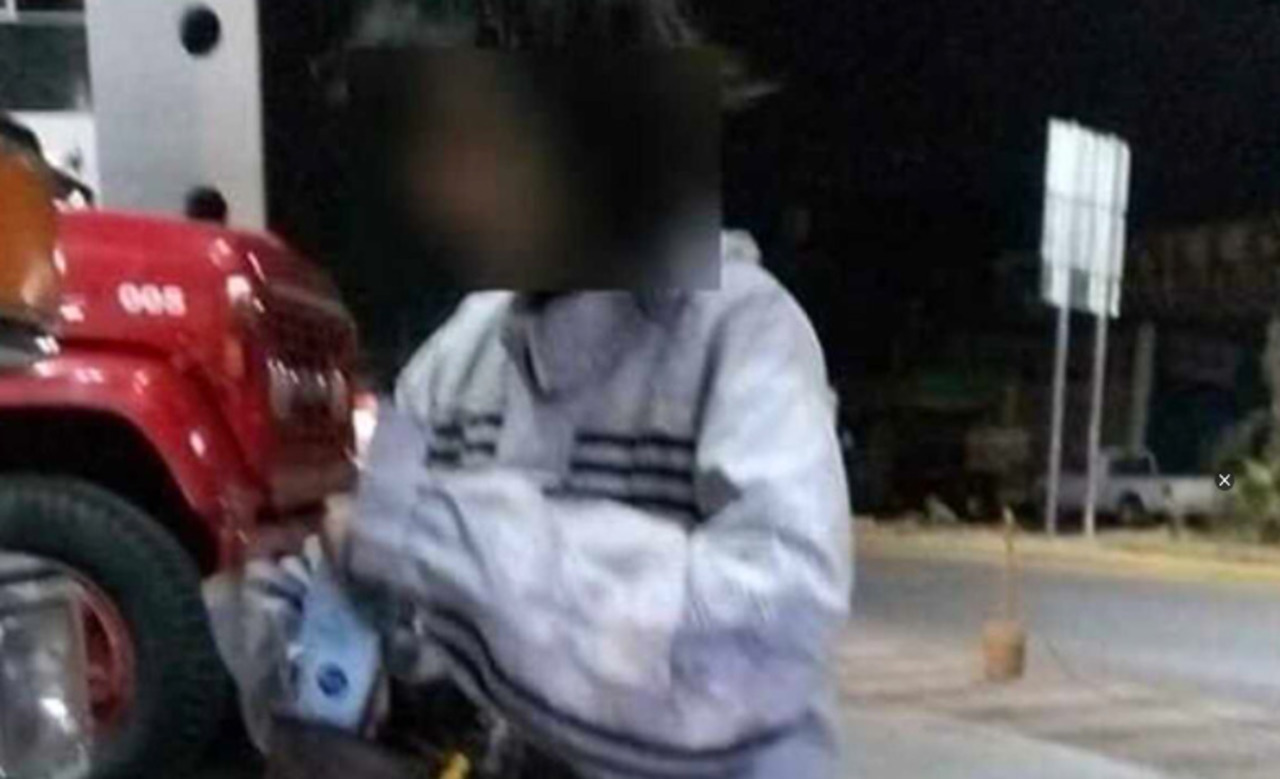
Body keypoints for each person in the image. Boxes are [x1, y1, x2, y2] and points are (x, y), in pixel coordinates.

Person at [213, 2, 852, 777]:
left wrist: (423, 537)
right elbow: (374, 596)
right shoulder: (456, 359)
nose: (435, 186)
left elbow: (770, 636)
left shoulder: (745, 335)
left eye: (464, 138)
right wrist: (282, 614)